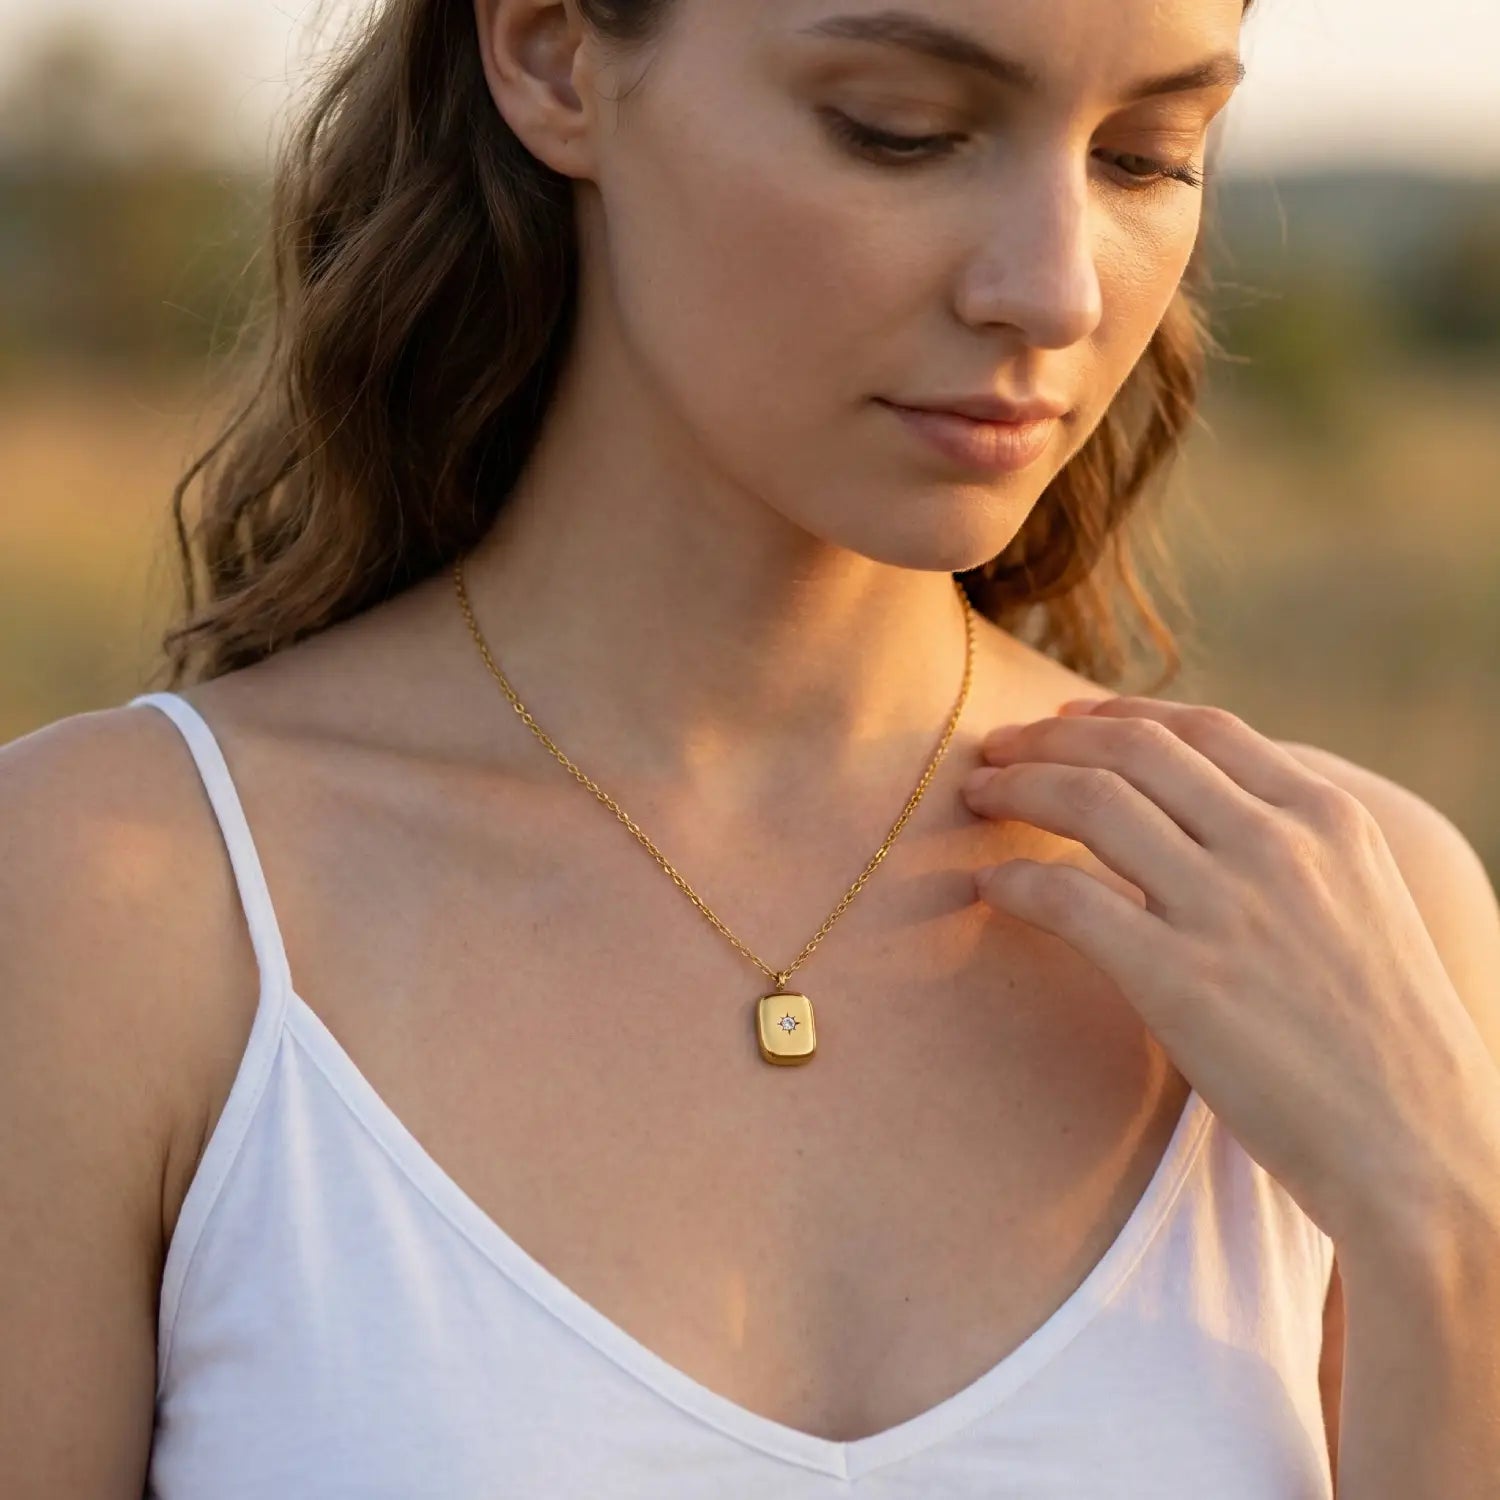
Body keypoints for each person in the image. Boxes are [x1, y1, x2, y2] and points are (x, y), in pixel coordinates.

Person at [4, 1, 1499, 1495]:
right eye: (899, 129)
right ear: (548, 55)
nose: (1051, 290)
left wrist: (1449, 1242)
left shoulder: (1352, 916)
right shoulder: (118, 901)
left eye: (1146, 155)